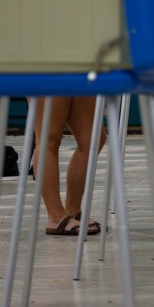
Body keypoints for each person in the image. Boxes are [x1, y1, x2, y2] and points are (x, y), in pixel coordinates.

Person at [32, 96, 106, 236]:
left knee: (92, 139)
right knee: (49, 138)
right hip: (45, 74)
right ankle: (56, 216)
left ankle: (73, 210)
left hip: (83, 73)